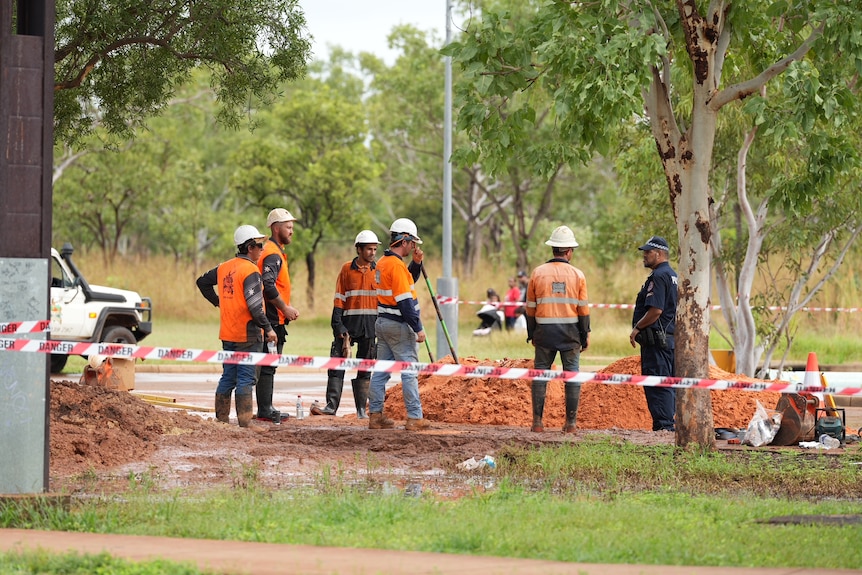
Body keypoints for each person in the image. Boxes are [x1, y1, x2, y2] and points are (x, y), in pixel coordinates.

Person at [196, 225, 277, 431]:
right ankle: (246, 423)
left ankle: (221, 422)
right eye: (259, 246)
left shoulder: (224, 267)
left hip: (228, 333)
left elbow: (202, 282)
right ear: (250, 247)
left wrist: (218, 301)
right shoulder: (250, 270)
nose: (261, 250)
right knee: (245, 378)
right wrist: (268, 329)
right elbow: (255, 307)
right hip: (247, 334)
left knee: (229, 376)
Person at [525, 225, 590, 434]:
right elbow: (583, 309)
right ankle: (570, 425)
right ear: (569, 250)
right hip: (570, 334)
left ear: (553, 248)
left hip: (544, 333)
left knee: (540, 375)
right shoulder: (578, 275)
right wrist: (585, 334)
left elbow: (530, 309)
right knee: (571, 376)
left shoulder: (537, 273)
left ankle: (537, 423)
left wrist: (531, 334)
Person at [310, 230, 380, 418]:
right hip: (348, 325)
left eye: (374, 249)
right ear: (358, 249)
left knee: (365, 367)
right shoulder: (346, 269)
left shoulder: (379, 271)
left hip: (370, 326)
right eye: (368, 249)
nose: (372, 253)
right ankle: (331, 407)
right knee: (337, 364)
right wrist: (337, 325)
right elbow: (339, 298)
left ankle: (360, 411)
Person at [368, 218, 429, 431]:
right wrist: (418, 328)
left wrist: (417, 263)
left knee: (381, 371)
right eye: (412, 242)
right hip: (399, 326)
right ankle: (415, 418)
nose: (414, 246)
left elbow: (407, 279)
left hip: (382, 323)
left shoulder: (383, 263)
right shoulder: (396, 266)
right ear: (404, 240)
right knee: (409, 371)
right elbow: (405, 303)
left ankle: (375, 416)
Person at [254, 208, 301, 422]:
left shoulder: (275, 251)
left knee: (268, 364)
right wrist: (286, 308)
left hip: (273, 317)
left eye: (292, 227)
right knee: (268, 365)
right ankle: (265, 410)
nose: (291, 231)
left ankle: (266, 407)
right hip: (272, 318)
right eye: (288, 227)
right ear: (275, 228)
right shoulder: (272, 253)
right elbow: (268, 285)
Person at [629, 235, 678, 432]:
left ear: (658, 254)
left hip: (657, 342)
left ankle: (664, 428)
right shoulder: (673, 275)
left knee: (658, 384)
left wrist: (637, 329)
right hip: (669, 340)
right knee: (667, 383)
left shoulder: (659, 277)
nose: (644, 256)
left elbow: (655, 310)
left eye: (648, 252)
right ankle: (666, 425)